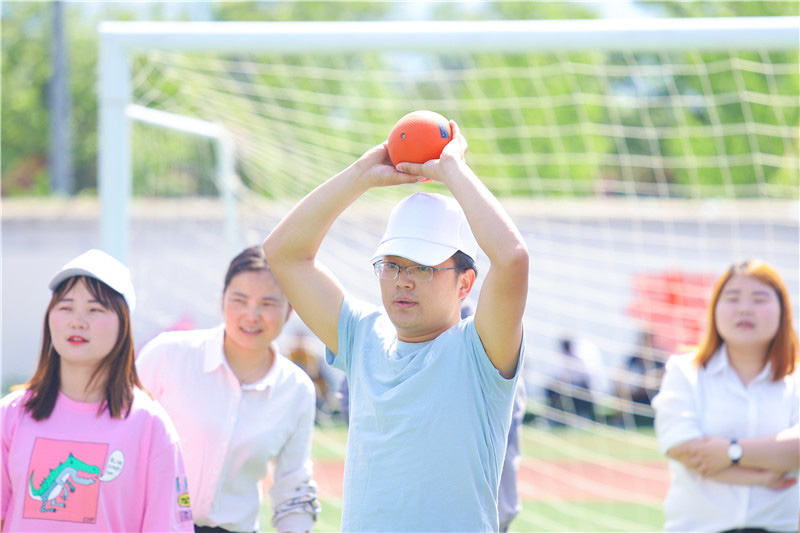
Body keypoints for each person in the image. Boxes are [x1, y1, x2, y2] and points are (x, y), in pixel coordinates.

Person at [262, 119, 529, 531]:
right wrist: (360, 176)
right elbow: (283, 253)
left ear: (465, 282)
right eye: (392, 265)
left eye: (423, 267)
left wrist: (453, 168)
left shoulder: (479, 351)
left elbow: (512, 259)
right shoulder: (362, 335)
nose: (403, 280)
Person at [0, 249, 194, 532]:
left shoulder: (150, 425)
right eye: (65, 307)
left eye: (95, 309)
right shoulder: (11, 416)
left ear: (123, 324)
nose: (77, 321)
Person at [136, 246, 319, 533]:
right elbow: (118, 437)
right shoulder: (167, 354)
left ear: (289, 310)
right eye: (239, 300)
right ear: (222, 299)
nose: (251, 314)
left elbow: (293, 485)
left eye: (268, 303)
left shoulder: (296, 390)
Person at [652, 259, 799, 533]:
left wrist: (729, 452)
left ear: (783, 311)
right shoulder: (685, 372)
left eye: (759, 298)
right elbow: (681, 447)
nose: (745, 308)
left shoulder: (796, 379)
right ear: (714, 309)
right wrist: (765, 475)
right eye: (732, 298)